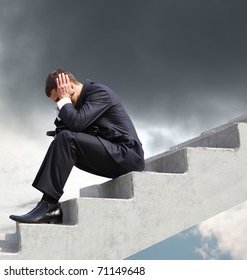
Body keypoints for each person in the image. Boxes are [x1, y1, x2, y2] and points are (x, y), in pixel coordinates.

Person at [9, 69, 145, 224]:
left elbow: (77, 123)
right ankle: (46, 203)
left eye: (58, 99)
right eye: (56, 101)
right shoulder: (80, 104)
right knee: (63, 138)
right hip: (112, 155)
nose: (59, 103)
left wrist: (64, 101)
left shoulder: (99, 93)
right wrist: (63, 111)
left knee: (66, 139)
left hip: (127, 155)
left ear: (69, 87)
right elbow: (72, 127)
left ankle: (48, 205)